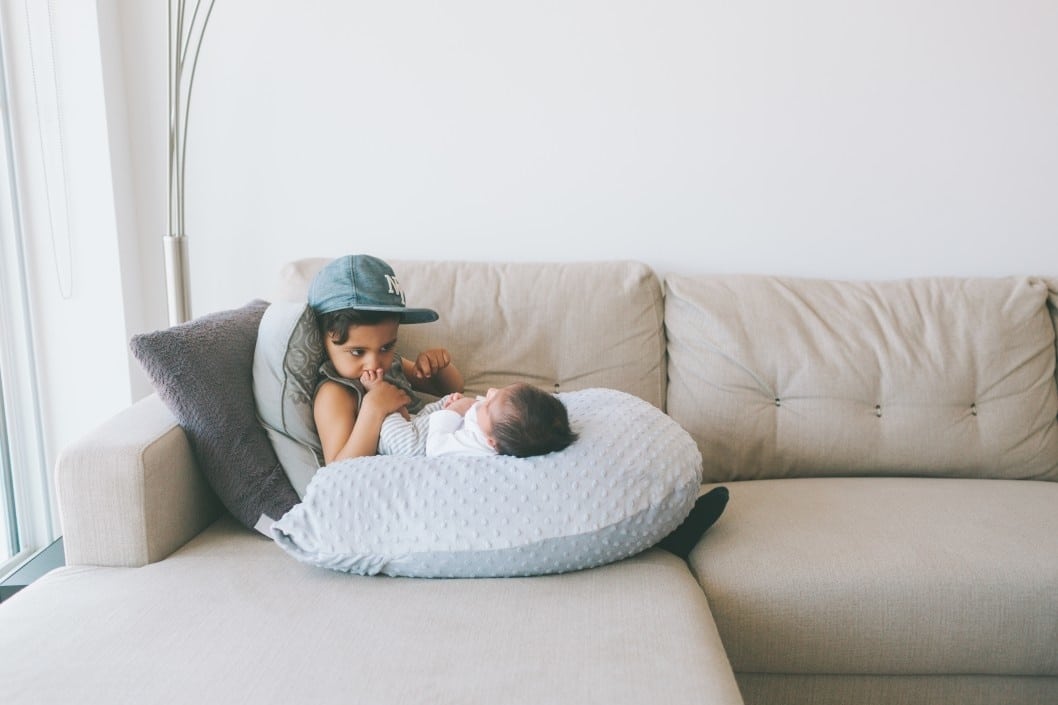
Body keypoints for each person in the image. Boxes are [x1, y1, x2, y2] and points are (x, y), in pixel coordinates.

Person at [308, 254, 465, 464]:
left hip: (434, 448)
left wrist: (437, 367)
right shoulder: (336, 393)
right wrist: (373, 409)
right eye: (357, 352)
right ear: (323, 340)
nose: (375, 363)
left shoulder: (392, 365)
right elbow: (338, 468)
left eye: (386, 347)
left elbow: (453, 389)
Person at [361, 373, 577, 458]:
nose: (490, 392)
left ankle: (380, 398)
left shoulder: (476, 447)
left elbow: (436, 447)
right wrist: (461, 404)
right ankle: (403, 413)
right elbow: (482, 411)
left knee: (394, 435)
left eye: (489, 403)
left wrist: (453, 411)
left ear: (492, 442)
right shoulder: (499, 422)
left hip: (419, 445)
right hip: (432, 423)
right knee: (446, 400)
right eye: (498, 391)